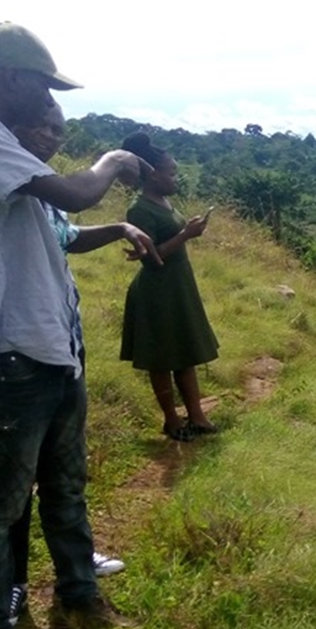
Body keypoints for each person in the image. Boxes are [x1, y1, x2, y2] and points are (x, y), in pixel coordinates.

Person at [0, 22, 157, 629]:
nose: (50, 101)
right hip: (7, 352)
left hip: (50, 348)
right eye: (43, 86)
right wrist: (113, 163)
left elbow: (59, 231)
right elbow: (76, 194)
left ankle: (81, 599)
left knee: (65, 488)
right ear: (6, 78)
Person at [5, 102, 136, 627]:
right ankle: (10, 588)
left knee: (63, 473)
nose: (49, 136)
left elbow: (69, 237)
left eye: (58, 129)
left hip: (62, 344)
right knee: (13, 482)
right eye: (38, 123)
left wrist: (122, 228)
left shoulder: (40, 188)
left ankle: (75, 577)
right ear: (8, 124)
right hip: (15, 350)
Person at [118, 132, 219, 441]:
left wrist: (186, 231)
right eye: (171, 173)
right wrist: (186, 235)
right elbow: (151, 259)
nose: (176, 178)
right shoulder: (139, 210)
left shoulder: (162, 201)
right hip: (157, 293)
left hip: (177, 288)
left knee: (184, 353)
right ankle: (172, 419)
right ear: (152, 175)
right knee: (161, 359)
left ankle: (198, 416)